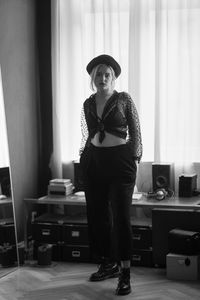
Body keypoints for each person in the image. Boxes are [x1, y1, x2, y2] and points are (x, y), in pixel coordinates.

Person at [79, 54, 142, 296]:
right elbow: (88, 134)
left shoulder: (123, 99)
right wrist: (84, 160)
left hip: (120, 163)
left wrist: (134, 159)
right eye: (98, 74)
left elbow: (136, 132)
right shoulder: (87, 103)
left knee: (121, 218)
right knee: (97, 216)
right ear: (92, 78)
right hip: (94, 162)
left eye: (107, 74)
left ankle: (125, 273)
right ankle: (107, 264)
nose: (103, 78)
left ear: (113, 78)